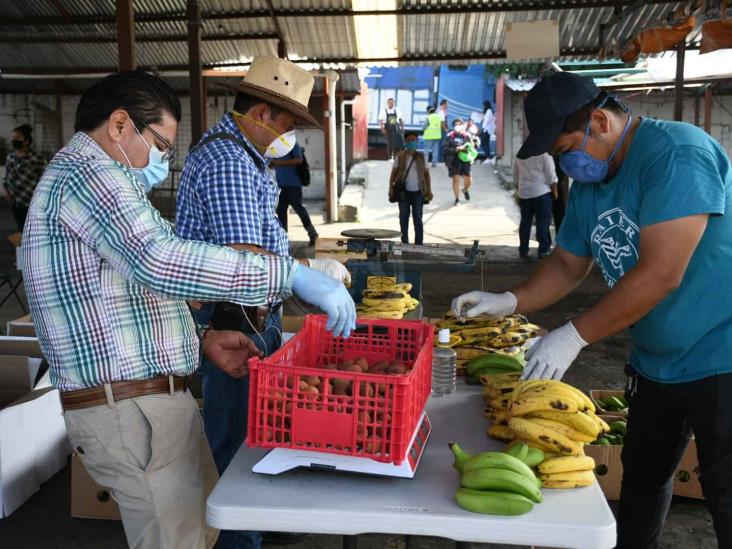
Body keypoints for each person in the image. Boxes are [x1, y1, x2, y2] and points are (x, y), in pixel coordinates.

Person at [21, 70, 355, 549]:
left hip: (144, 402)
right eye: (160, 145)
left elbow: (123, 295)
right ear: (119, 125)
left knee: (199, 532)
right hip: (129, 409)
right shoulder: (90, 175)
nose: (162, 160)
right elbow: (160, 260)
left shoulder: (104, 181)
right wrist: (293, 274)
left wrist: (199, 340)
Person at [451, 71, 732, 549]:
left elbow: (663, 273)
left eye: (564, 150)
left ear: (599, 122)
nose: (565, 164)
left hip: (721, 356)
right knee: (641, 485)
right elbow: (566, 263)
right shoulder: (589, 188)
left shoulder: (677, 154)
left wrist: (573, 335)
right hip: (655, 362)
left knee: (725, 498)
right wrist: (510, 301)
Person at [176, 56, 351, 549]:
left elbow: (262, 241)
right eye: (289, 124)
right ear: (261, 113)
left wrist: (300, 270)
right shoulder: (228, 159)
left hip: (253, 315)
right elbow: (241, 254)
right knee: (237, 444)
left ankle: (260, 523)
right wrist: (302, 276)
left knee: (263, 428)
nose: (289, 135)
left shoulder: (249, 157)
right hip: (231, 320)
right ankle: (241, 539)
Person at [389, 132, 433, 245]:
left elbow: (427, 174)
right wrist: (391, 188)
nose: (411, 142)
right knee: (403, 218)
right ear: (405, 142)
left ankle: (419, 243)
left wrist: (429, 190)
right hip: (403, 193)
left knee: (417, 218)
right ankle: (405, 242)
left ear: (417, 142)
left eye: (413, 140)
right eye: (409, 140)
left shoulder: (422, 157)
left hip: (419, 192)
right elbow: (393, 173)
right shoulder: (400, 156)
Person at [272, 142, 318, 247]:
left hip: (293, 184)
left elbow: (299, 159)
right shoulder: (276, 147)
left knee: (298, 208)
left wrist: (279, 163)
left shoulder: (292, 144)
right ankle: (283, 238)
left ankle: (312, 233)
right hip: (281, 185)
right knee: (281, 211)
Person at [513, 152, 558, 259]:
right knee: (542, 222)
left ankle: (523, 250)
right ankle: (543, 250)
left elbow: (515, 175)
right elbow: (551, 175)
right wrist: (555, 192)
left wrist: (519, 190)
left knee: (525, 222)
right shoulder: (544, 154)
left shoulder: (520, 154)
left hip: (524, 193)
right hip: (541, 193)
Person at [3, 123, 46, 231]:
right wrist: (6, 191)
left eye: (17, 138)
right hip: (15, 203)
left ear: (26, 141)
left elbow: (46, 179)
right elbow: (7, 178)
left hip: (33, 203)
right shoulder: (10, 158)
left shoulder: (36, 158)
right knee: (21, 228)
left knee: (34, 230)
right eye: (13, 138)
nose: (14, 140)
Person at [444, 119, 474, 206]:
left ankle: (465, 190)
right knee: (456, 179)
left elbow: (472, 148)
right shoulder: (449, 136)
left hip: (465, 161)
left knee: (469, 179)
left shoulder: (467, 136)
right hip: (453, 161)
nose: (457, 126)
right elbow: (445, 149)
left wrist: (469, 146)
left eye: (459, 124)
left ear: (462, 125)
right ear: (453, 126)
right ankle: (457, 199)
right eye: (455, 124)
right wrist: (455, 149)